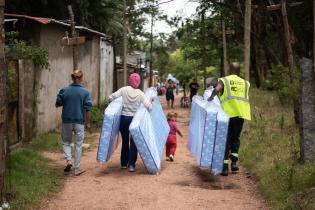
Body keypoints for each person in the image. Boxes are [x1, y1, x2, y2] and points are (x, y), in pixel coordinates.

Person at [208, 62, 251, 176]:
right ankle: (235, 164)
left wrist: (211, 97)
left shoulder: (224, 80)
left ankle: (225, 167)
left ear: (230, 69)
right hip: (241, 114)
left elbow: (217, 89)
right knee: (235, 138)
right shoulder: (245, 83)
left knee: (226, 139)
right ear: (238, 71)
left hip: (227, 114)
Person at [109, 73, 153, 172]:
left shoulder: (123, 89)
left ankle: (124, 163)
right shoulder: (141, 93)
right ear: (139, 82)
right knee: (134, 142)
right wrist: (151, 101)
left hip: (124, 119)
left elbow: (111, 97)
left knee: (125, 141)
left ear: (129, 80)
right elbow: (149, 107)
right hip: (135, 121)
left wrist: (113, 107)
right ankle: (131, 165)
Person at [56, 69, 92, 176]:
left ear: (72, 78)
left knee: (66, 142)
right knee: (78, 144)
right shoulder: (85, 92)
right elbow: (88, 109)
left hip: (67, 120)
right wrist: (88, 123)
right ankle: (77, 169)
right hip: (79, 121)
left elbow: (57, 103)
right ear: (81, 78)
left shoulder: (64, 90)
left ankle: (68, 160)